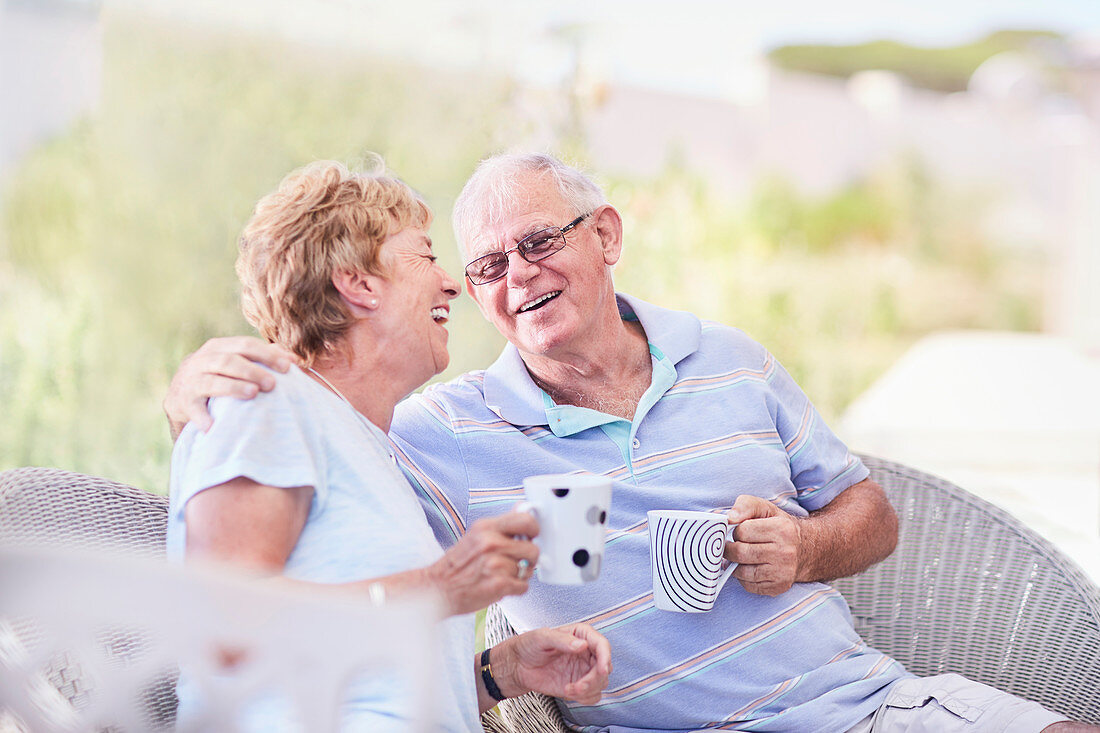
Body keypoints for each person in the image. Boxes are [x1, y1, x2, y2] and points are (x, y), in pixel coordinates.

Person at [167, 154, 1093, 732]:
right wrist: (192, 398)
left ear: (605, 234)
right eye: (474, 263)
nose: (488, 278)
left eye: (536, 241)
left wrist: (807, 545)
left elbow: (873, 513)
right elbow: (236, 573)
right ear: (361, 285)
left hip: (862, 705)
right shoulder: (425, 433)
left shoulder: (731, 360)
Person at [166, 159, 610, 732]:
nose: (453, 283)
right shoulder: (267, 400)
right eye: (425, 256)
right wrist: (440, 586)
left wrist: (504, 672)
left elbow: (364, 677)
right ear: (358, 282)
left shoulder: (370, 447)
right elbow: (228, 627)